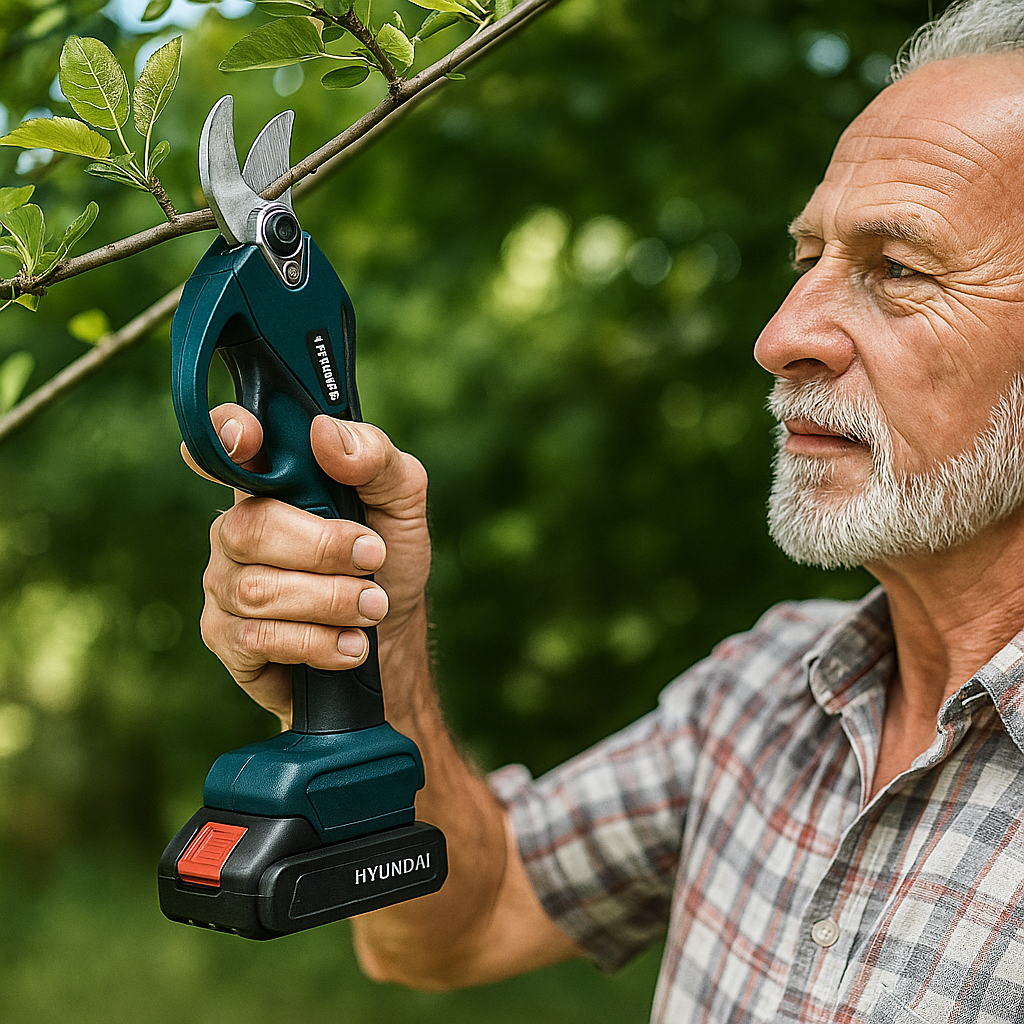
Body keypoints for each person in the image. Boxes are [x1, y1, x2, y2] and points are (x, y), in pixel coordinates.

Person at [187, 1, 1024, 1020]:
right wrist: (379, 634)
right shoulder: (759, 697)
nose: (782, 333)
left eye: (897, 269)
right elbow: (462, 918)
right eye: (807, 261)